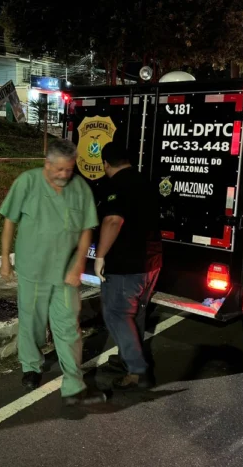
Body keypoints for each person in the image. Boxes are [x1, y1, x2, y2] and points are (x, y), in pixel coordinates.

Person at [0, 139, 105, 407]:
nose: (64, 175)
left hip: (65, 273)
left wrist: (79, 263)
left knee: (69, 326)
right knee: (32, 322)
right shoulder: (27, 182)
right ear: (47, 164)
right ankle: (31, 366)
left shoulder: (79, 188)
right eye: (59, 169)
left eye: (69, 170)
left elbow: (86, 230)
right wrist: (5, 260)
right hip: (32, 269)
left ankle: (73, 384)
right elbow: (10, 221)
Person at [94, 141, 159, 390]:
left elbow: (112, 220)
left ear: (106, 164)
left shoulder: (116, 184)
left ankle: (136, 369)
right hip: (151, 263)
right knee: (136, 314)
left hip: (127, 266)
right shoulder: (146, 181)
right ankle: (128, 361)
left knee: (116, 314)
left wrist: (100, 256)